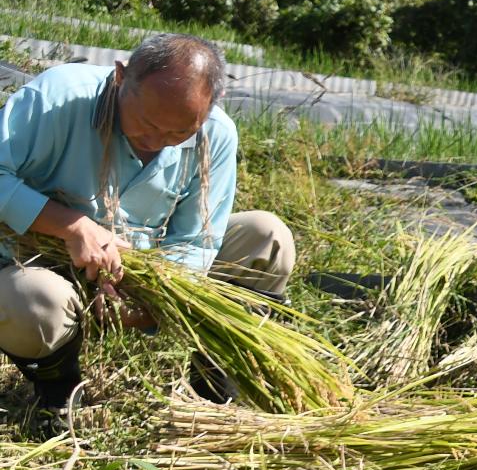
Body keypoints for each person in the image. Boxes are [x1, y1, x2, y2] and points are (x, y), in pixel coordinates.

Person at [0, 33, 295, 412]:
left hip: (139, 273)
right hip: (37, 264)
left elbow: (197, 241)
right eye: (145, 122)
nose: (157, 141)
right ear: (121, 77)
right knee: (34, 300)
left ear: (209, 106)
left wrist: (156, 300)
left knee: (267, 237)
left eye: (179, 132)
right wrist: (71, 225)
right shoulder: (59, 97)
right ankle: (59, 393)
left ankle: (213, 393)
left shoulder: (216, 134)